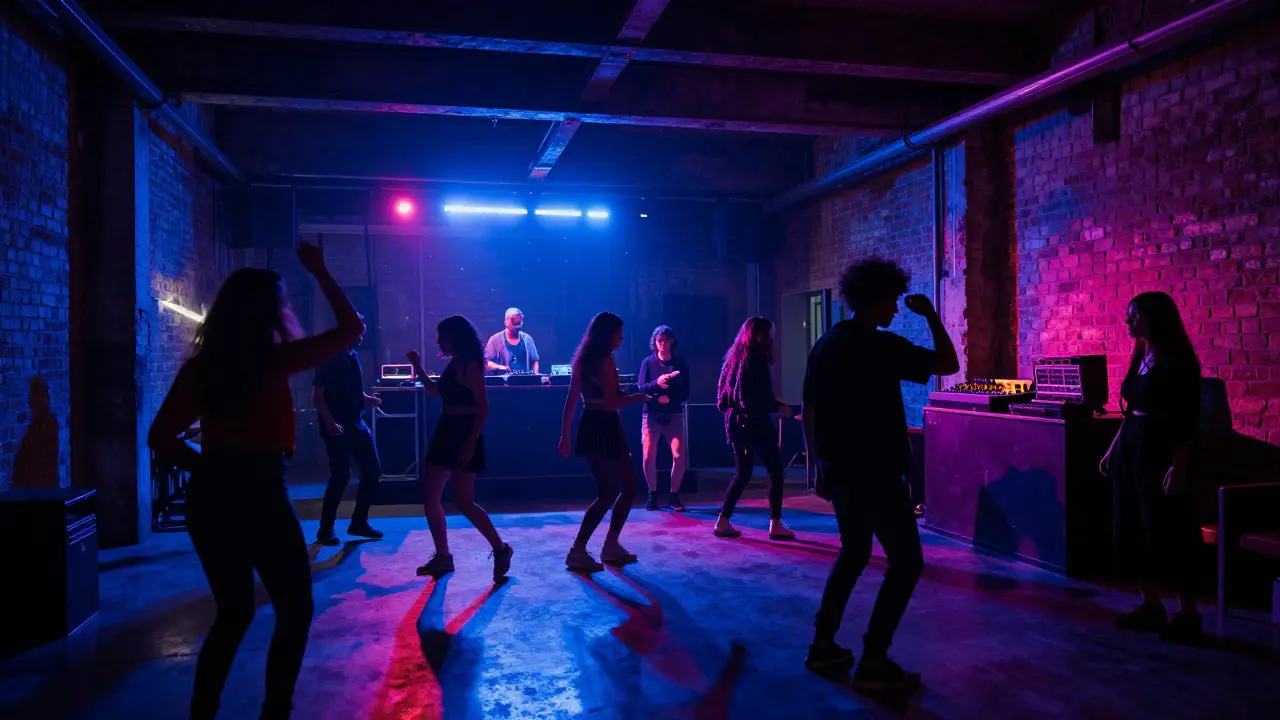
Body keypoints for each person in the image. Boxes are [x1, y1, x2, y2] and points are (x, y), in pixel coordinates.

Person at [148, 238, 363, 720]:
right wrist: (319, 270)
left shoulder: (204, 368)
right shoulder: (270, 361)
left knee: (234, 612)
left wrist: (209, 468)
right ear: (266, 311)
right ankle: (274, 712)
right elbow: (352, 329)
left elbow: (159, 437)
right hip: (260, 491)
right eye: (280, 301)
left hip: (212, 497)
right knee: (295, 608)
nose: (285, 309)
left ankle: (203, 712)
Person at [800, 258, 957, 690]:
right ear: (879, 297)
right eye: (892, 300)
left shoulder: (827, 343)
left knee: (853, 553)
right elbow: (947, 364)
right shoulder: (880, 346)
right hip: (878, 472)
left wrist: (817, 468)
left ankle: (822, 644)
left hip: (840, 471)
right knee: (906, 563)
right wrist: (931, 316)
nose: (895, 308)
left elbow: (810, 411)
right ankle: (873, 659)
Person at [1100, 291, 1202, 643]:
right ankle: (1151, 606)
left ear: (1154, 318)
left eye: (1134, 315)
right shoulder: (1141, 354)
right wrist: (1113, 449)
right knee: (1131, 526)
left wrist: (1179, 465)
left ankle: (1189, 615)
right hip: (1132, 447)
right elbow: (1132, 411)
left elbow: (1188, 419)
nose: (1127, 321)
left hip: (1161, 450)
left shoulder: (1179, 361)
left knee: (1167, 530)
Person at [405, 316, 514, 581]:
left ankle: (500, 548)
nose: (438, 342)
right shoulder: (456, 363)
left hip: (463, 432)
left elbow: (483, 408)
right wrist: (417, 367)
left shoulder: (469, 365)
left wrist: (470, 443)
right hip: (447, 429)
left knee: (463, 501)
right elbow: (435, 392)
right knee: (432, 497)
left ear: (455, 337)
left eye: (442, 336)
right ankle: (443, 556)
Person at [557, 312, 648, 572]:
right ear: (607, 334)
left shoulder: (584, 360)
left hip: (591, 425)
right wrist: (637, 397)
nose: (621, 338)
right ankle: (582, 549)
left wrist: (565, 435)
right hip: (605, 426)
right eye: (618, 333)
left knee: (620, 487)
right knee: (615, 490)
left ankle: (607, 546)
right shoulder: (605, 362)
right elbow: (611, 403)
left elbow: (572, 400)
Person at [713, 317, 795, 541]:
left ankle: (723, 521)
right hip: (754, 423)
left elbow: (724, 399)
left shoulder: (733, 357)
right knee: (775, 471)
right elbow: (758, 397)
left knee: (743, 472)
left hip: (737, 423)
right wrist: (778, 407)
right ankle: (775, 524)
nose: (771, 338)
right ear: (760, 334)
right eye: (769, 333)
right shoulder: (755, 358)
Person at [312, 313, 385, 546]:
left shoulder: (352, 355)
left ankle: (358, 522)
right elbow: (318, 396)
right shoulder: (329, 356)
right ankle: (325, 530)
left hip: (355, 422)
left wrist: (366, 399)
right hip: (337, 427)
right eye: (360, 329)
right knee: (341, 476)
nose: (363, 333)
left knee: (372, 470)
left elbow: (350, 389)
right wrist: (330, 423)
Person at [636, 325, 690, 511]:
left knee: (679, 455)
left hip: (673, 413)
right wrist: (657, 384)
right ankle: (652, 494)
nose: (662, 344)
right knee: (648, 455)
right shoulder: (648, 362)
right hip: (651, 414)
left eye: (666, 340)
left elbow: (685, 391)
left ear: (672, 342)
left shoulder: (680, 363)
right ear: (655, 342)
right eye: (659, 341)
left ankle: (674, 495)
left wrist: (671, 398)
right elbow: (641, 387)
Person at [484, 307, 540, 374]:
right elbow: (486, 362)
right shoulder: (495, 340)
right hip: (503, 380)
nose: (517, 326)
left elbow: (535, 361)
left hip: (525, 380)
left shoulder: (527, 339)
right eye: (514, 323)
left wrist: (535, 376)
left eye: (519, 323)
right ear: (506, 322)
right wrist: (499, 367)